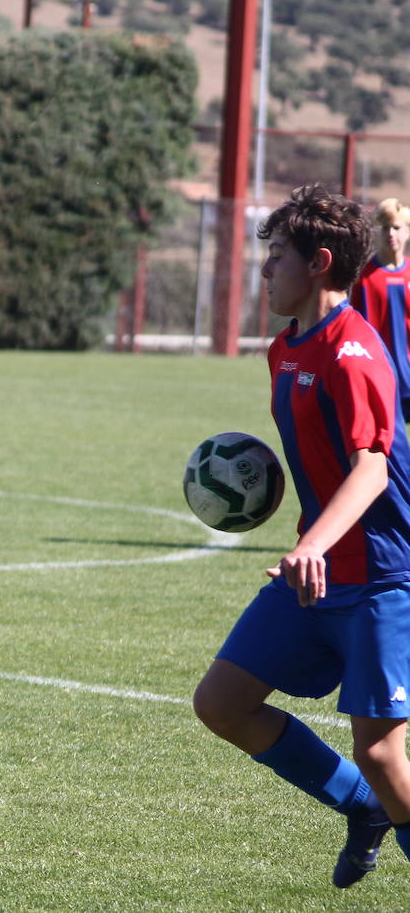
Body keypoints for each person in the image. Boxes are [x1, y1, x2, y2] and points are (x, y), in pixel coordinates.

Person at [193, 184, 410, 889]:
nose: (264, 271)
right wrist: (307, 544)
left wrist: (313, 542)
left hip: (383, 574)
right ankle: (362, 809)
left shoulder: (354, 353)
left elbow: (371, 469)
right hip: (315, 572)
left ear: (319, 264)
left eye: (276, 258)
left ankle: (377, 799)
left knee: (383, 753)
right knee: (221, 703)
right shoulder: (285, 348)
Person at [350, 197, 410, 416]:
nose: (391, 234)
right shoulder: (364, 277)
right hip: (380, 373)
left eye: (396, 227)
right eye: (385, 228)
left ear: (407, 232)